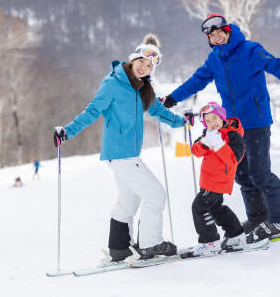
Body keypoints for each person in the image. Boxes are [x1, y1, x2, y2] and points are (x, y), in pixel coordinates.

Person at [161, 13, 280, 242]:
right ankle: (258, 218)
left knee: (261, 173)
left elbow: (276, 66)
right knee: (244, 175)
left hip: (256, 122)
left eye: (219, 33)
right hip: (232, 128)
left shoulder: (251, 50)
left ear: (227, 30)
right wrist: (172, 98)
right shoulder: (214, 60)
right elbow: (196, 81)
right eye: (212, 36)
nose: (216, 38)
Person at [53, 33, 191, 261]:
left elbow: (158, 110)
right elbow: (92, 112)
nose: (144, 68)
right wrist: (67, 131)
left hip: (126, 154)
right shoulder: (113, 84)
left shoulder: (143, 88)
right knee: (156, 195)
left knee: (130, 198)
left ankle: (118, 247)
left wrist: (181, 121)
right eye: (142, 61)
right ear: (133, 59)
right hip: (120, 154)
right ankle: (150, 244)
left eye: (149, 65)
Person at [187, 102, 247, 255]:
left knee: (199, 207)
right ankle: (236, 235)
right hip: (208, 180)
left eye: (215, 118)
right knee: (216, 208)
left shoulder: (232, 135)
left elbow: (234, 158)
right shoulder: (208, 134)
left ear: (222, 117)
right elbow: (196, 151)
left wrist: (218, 143)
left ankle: (209, 241)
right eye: (207, 121)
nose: (212, 123)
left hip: (218, 180)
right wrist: (205, 142)